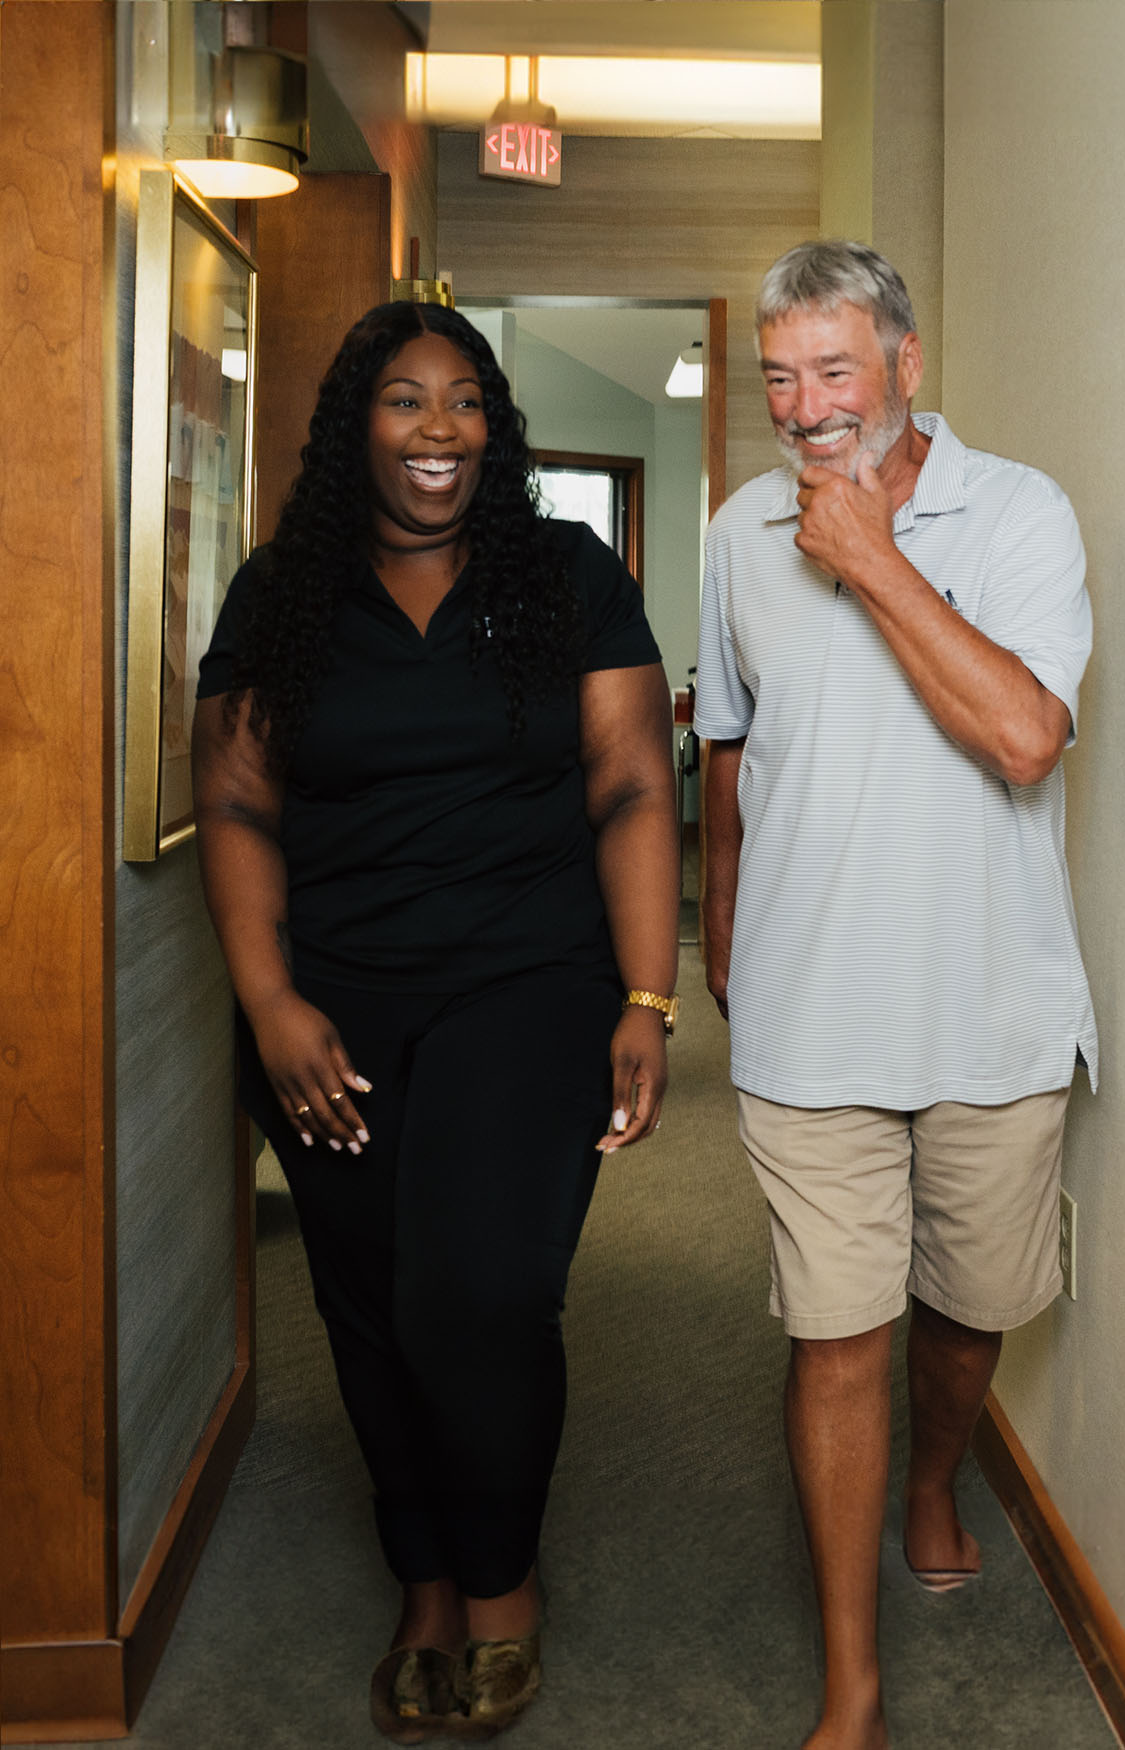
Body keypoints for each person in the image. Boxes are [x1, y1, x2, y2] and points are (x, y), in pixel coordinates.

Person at [192, 300, 681, 1742]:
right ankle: (422, 1576)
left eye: (466, 401)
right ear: (358, 422)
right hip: (330, 1006)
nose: (440, 431)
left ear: (496, 426)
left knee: (474, 1295)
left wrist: (649, 996)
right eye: (407, 402)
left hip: (530, 987)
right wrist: (269, 998)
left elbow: (636, 786)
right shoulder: (283, 590)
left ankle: (503, 1577)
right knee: (365, 1308)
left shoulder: (564, 574)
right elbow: (233, 802)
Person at [696, 240, 1097, 1750]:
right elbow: (727, 748)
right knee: (836, 1334)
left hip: (993, 1005)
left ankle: (936, 1471)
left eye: (836, 371)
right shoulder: (738, 531)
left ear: (907, 365)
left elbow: (1022, 735)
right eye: (780, 378)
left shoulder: (1020, 512)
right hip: (810, 1012)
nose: (804, 410)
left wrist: (870, 554)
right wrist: (722, 932)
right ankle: (850, 1679)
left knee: (971, 1311)